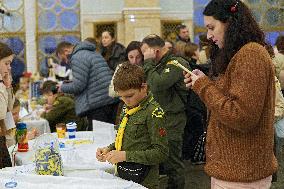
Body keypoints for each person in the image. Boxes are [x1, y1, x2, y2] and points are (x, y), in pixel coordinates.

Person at [184, 0, 277, 188]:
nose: (208, 36)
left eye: (211, 27)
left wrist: (203, 86)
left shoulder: (251, 55)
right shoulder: (238, 54)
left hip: (243, 174)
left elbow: (241, 116)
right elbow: (227, 99)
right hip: (231, 170)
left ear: (230, 23)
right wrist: (204, 82)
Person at [96, 63, 168, 189]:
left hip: (144, 180)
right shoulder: (127, 107)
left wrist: (125, 156)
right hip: (124, 174)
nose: (125, 101)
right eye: (121, 97)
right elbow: (126, 137)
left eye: (129, 96)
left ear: (144, 87)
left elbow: (161, 152)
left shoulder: (154, 113)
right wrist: (109, 148)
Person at [141, 34, 189, 189]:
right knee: (164, 160)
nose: (144, 56)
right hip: (162, 118)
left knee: (173, 163)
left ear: (154, 51)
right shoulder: (159, 65)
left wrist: (147, 62)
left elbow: (157, 85)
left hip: (173, 119)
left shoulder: (175, 63)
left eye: (145, 52)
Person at [57, 39, 116, 130]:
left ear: (66, 51)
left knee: (99, 138)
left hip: (98, 104)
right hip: (108, 100)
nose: (66, 62)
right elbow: (91, 79)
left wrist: (62, 88)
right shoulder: (92, 53)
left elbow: (78, 86)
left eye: (63, 59)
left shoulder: (77, 57)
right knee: (109, 136)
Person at [0, 42, 14, 169]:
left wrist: (8, 86)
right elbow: (1, 113)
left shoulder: (2, 83)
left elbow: (10, 108)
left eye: (10, 63)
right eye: (6, 63)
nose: (9, 67)